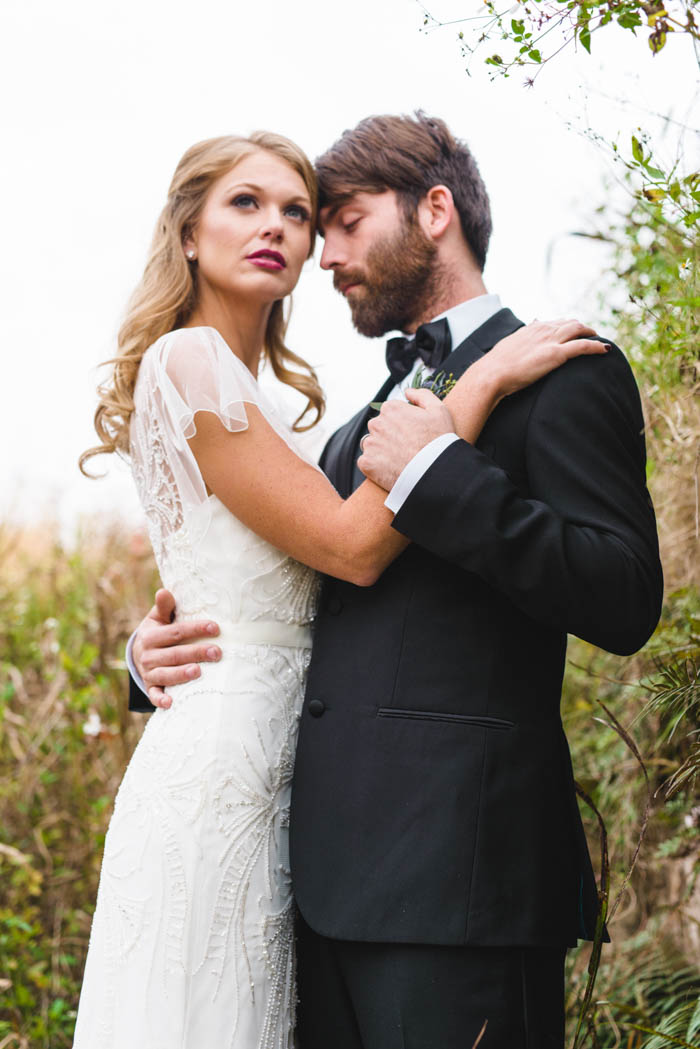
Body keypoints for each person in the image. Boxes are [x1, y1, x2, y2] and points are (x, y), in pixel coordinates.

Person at [75, 128, 600, 1048]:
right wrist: (473, 395)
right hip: (230, 777)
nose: (283, 229)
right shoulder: (193, 363)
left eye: (301, 213)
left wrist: (144, 649)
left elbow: (281, 577)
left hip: (337, 828)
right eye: (246, 203)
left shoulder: (303, 415)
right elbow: (351, 553)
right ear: (187, 232)